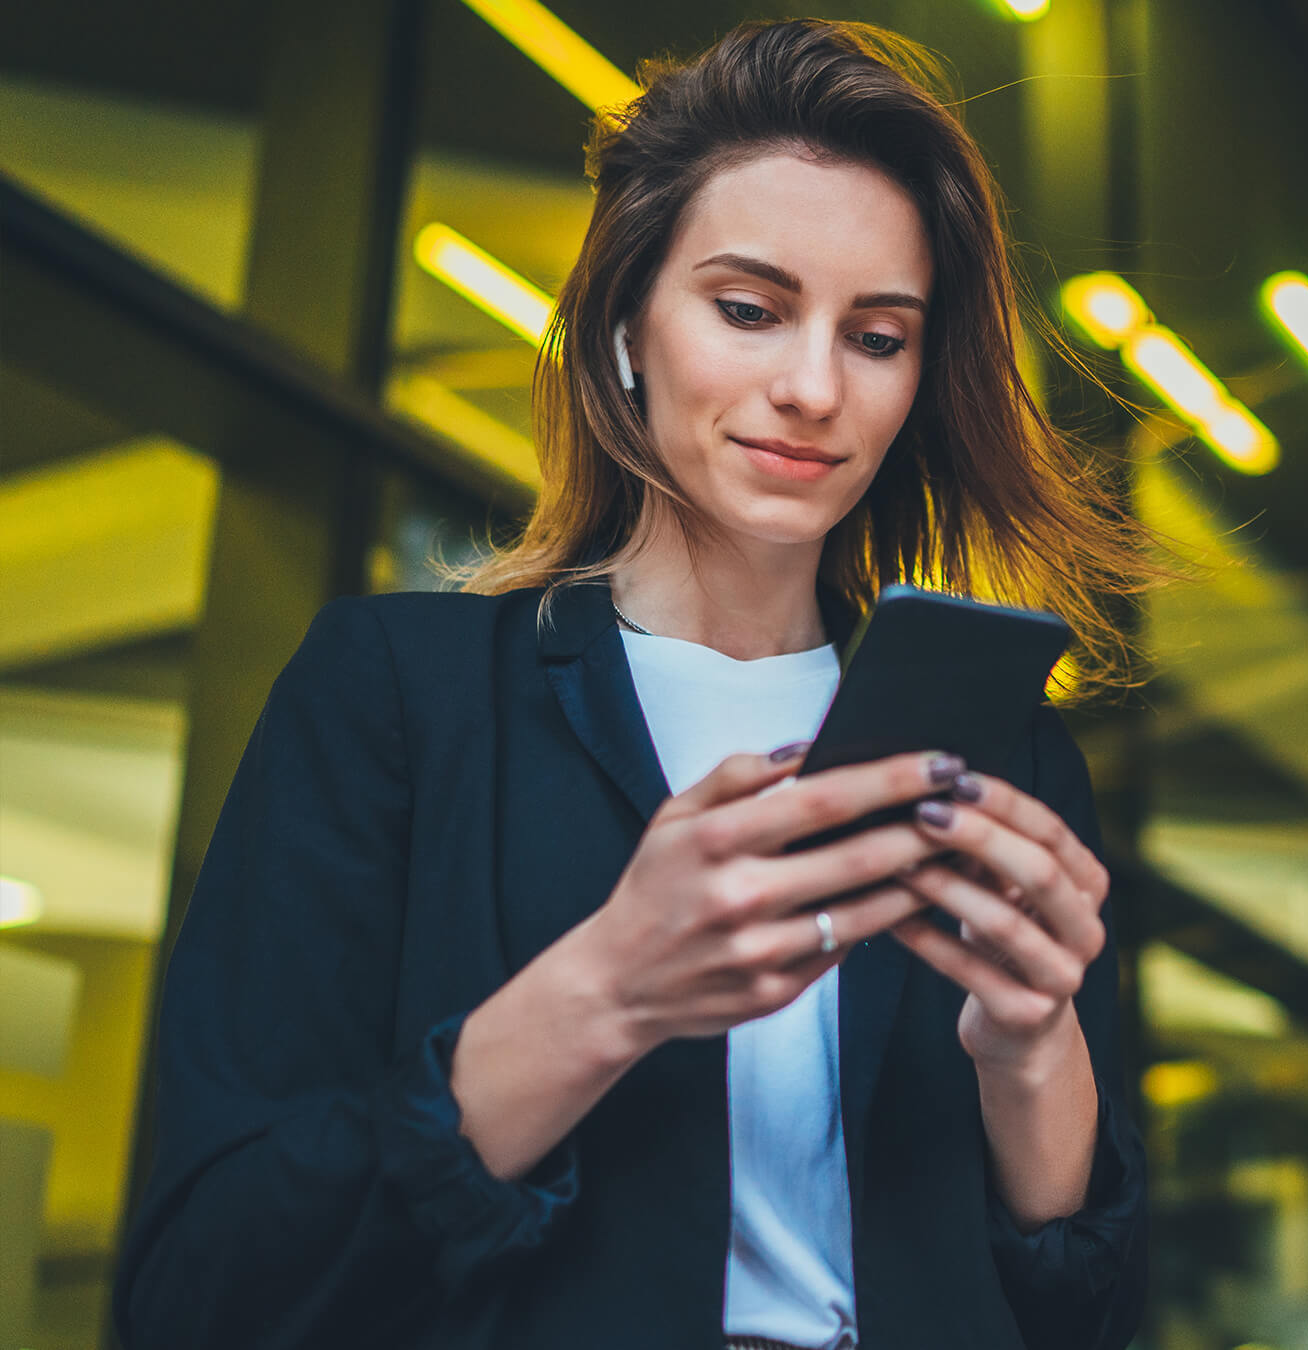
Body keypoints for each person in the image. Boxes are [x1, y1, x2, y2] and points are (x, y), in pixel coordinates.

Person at [112, 19, 1163, 1350]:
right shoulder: (398, 696)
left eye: (879, 335)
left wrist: (1032, 1049)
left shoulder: (996, 756)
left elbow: (1089, 1312)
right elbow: (204, 1283)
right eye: (748, 309)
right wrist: (608, 987)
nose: (814, 387)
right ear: (623, 325)